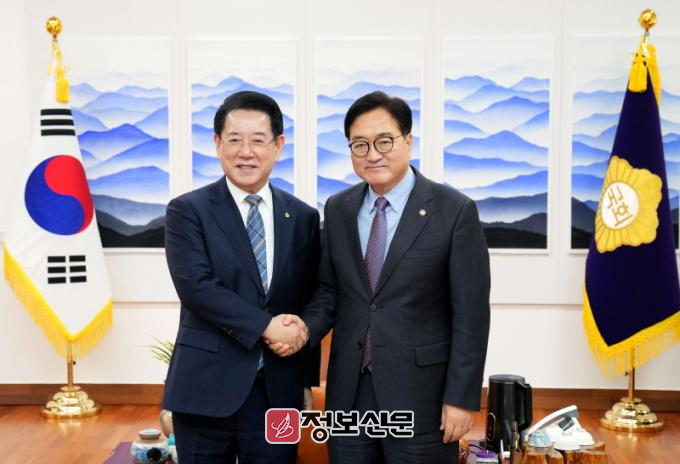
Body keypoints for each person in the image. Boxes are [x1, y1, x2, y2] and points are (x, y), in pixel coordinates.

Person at [277, 91, 490, 463]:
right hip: (349, 391)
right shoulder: (339, 209)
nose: (372, 154)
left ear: (408, 141)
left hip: (422, 394)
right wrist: (304, 330)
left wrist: (460, 398)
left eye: (384, 141)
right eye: (360, 144)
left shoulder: (454, 211)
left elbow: (471, 315)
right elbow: (329, 291)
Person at [163, 90, 319, 464]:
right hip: (204, 387)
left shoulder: (303, 217)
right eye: (234, 140)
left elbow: (311, 296)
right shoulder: (187, 211)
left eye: (258, 140)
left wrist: (305, 380)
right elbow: (197, 288)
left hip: (279, 389)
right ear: (218, 144)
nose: (245, 152)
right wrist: (267, 327)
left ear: (278, 147)